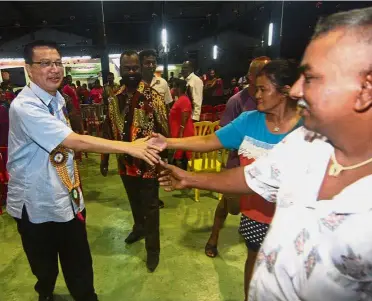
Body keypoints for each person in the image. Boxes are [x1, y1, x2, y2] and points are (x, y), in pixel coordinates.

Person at [158, 7, 372, 301]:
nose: (296, 90)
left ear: (365, 90)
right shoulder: (303, 143)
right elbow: (253, 177)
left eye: (311, 78)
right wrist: (187, 176)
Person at [6, 40, 164, 301]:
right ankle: (45, 292)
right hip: (36, 203)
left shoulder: (57, 99)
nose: (54, 69)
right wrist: (129, 148)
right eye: (45, 63)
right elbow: (74, 140)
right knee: (44, 266)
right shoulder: (24, 107)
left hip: (67, 198)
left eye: (57, 62)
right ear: (28, 69)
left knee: (79, 262)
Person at [153, 59, 302, 300]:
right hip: (256, 213)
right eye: (256, 87)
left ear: (285, 92)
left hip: (296, 220)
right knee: (254, 262)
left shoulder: (309, 128)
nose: (256, 93)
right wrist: (167, 142)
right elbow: (207, 141)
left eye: (264, 89)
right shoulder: (249, 120)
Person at [100, 50, 169, 272]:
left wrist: (164, 162)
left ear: (141, 68)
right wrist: (104, 159)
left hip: (148, 165)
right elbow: (108, 131)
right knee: (133, 201)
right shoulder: (113, 99)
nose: (131, 72)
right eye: (127, 68)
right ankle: (139, 229)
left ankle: (153, 250)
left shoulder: (153, 97)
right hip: (124, 164)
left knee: (151, 207)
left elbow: (165, 131)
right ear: (120, 68)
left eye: (134, 68)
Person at [204, 56, 270, 259]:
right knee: (229, 206)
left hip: (268, 168)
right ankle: (214, 236)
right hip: (239, 164)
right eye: (261, 74)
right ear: (250, 76)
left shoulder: (275, 98)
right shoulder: (237, 102)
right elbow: (223, 136)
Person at [169, 79, 194, 170]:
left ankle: (182, 178)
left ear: (179, 88)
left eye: (174, 86)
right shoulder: (181, 99)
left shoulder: (183, 99)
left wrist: (180, 133)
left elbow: (185, 116)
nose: (173, 89)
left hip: (183, 133)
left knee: (181, 159)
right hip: (179, 132)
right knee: (179, 158)